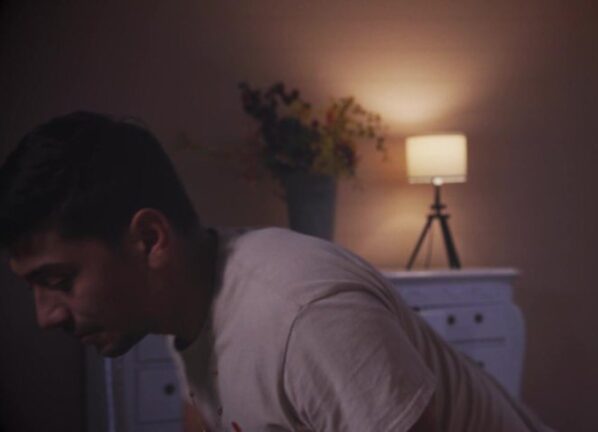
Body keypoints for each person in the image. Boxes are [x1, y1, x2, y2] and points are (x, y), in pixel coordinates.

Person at [0, 112, 552, 432]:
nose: (46, 317)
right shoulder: (183, 303)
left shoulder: (305, 315)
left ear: (149, 240)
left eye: (59, 281)